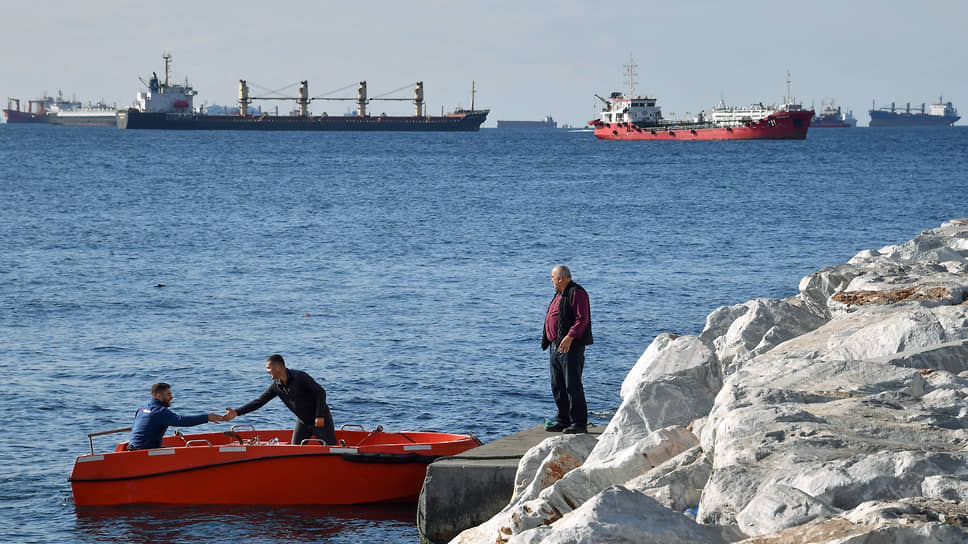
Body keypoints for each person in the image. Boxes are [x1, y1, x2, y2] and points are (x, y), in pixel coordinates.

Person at [222, 354, 337, 445]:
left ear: (277, 367)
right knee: (294, 450)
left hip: (321, 421)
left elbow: (320, 392)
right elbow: (259, 402)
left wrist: (319, 415)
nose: (267, 371)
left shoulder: (300, 377)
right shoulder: (276, 386)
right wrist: (237, 412)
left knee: (331, 450)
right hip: (303, 421)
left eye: (268, 368)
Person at [541, 265, 593, 434]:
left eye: (553, 277)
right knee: (558, 385)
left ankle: (579, 423)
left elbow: (582, 319)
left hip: (571, 347)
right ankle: (563, 420)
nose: (551, 280)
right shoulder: (559, 294)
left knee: (572, 385)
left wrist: (570, 336)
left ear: (561, 278)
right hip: (555, 347)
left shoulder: (577, 292)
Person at [128, 382, 222, 450]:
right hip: (145, 452)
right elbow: (181, 421)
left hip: (134, 449)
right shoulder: (160, 412)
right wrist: (207, 417)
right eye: (168, 394)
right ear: (158, 396)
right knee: (187, 453)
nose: (172, 397)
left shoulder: (141, 410)